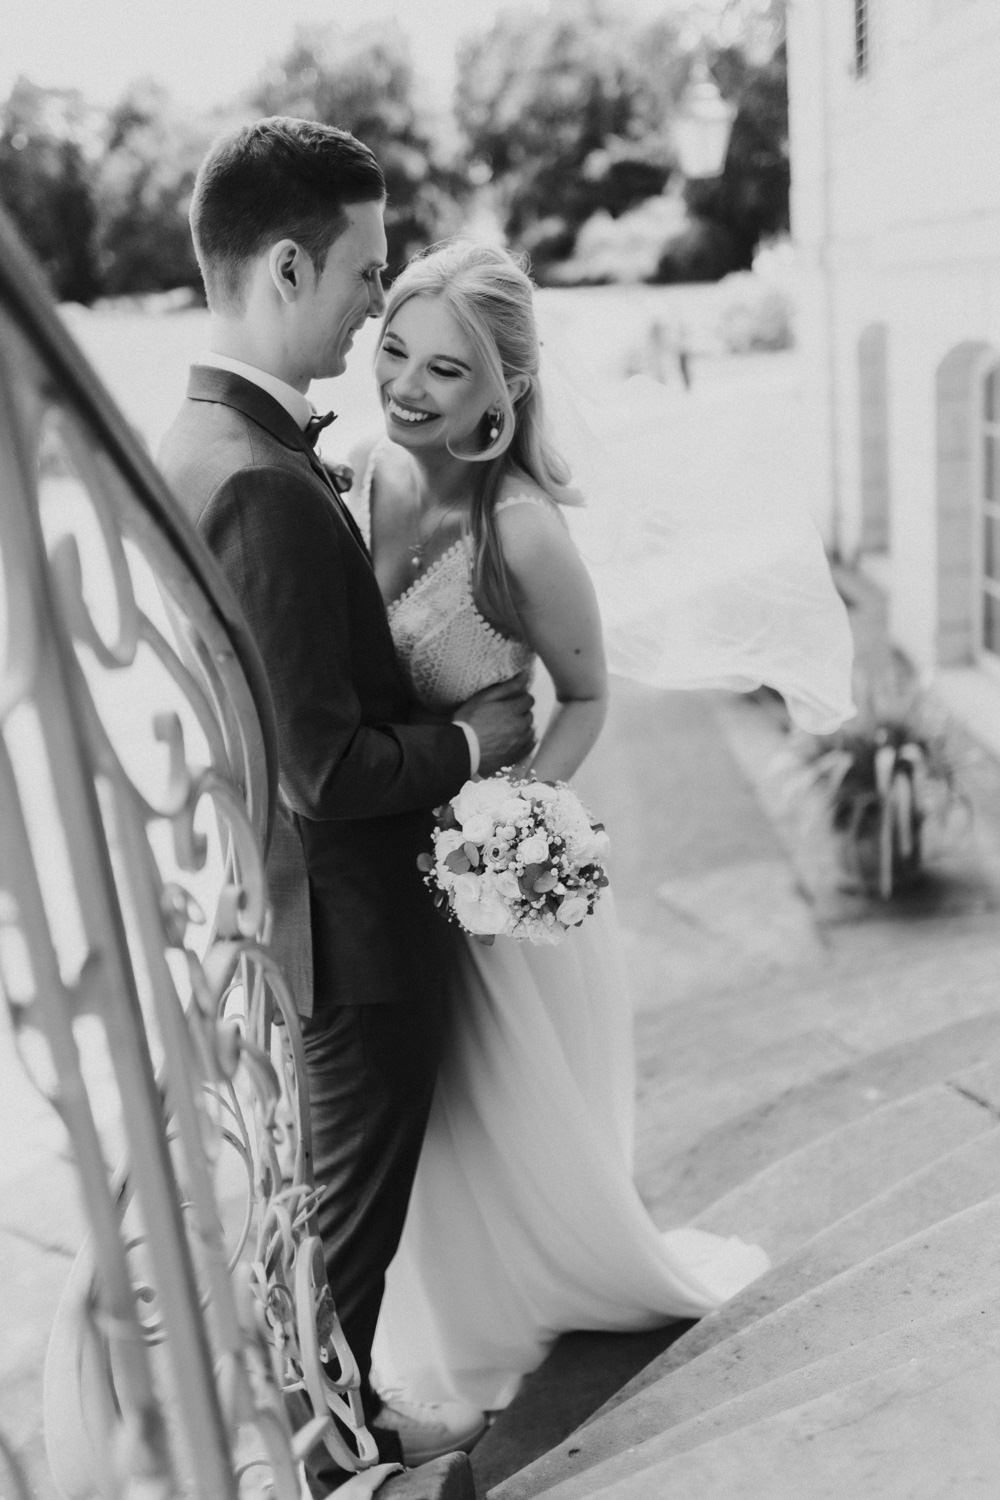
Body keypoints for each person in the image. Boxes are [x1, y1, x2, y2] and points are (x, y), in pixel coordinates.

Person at [343, 239, 852, 1413]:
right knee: (431, 1129)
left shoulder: (518, 529)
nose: (407, 387)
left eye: (446, 371)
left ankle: (541, 1304)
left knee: (502, 1119)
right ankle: (452, 1316)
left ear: (504, 389)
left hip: (487, 873)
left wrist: (508, 824)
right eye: (396, 352)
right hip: (379, 840)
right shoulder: (363, 473)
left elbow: (583, 698)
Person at [157, 121, 536, 1477]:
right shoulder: (261, 485)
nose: (379, 302)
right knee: (341, 1223)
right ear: (286, 264)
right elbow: (324, 768)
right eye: (368, 271)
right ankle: (332, 1457)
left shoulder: (202, 440)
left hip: (295, 909)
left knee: (320, 1212)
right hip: (351, 925)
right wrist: (473, 743)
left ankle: (338, 1419)